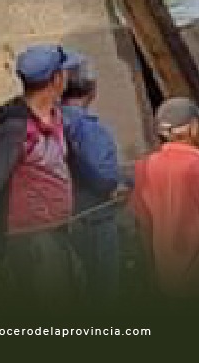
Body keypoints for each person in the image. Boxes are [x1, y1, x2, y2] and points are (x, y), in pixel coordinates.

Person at [0, 43, 83, 303]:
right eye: (64, 72)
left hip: (55, 234)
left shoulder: (54, 118)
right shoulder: (17, 130)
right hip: (33, 244)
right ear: (56, 80)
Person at [129, 98, 199, 299]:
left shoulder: (143, 167)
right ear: (193, 127)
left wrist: (151, 270)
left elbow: (143, 223)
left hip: (161, 272)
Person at [60, 56, 125, 301]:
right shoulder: (90, 129)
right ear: (92, 89)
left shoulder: (49, 122)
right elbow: (104, 179)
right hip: (92, 221)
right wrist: (122, 184)